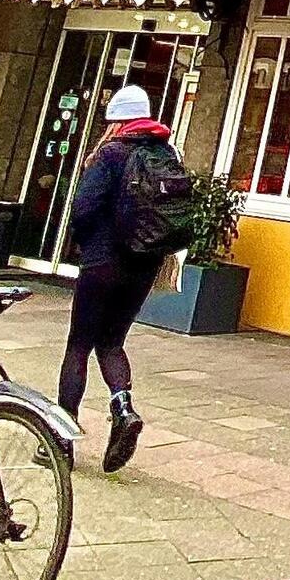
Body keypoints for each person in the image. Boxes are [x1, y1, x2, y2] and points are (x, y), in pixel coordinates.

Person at [59, 86, 186, 474]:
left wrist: (83, 243)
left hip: (102, 261)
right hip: (143, 264)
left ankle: (60, 438)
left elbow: (82, 208)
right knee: (112, 342)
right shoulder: (167, 154)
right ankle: (123, 408)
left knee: (79, 345)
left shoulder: (111, 153)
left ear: (116, 120)